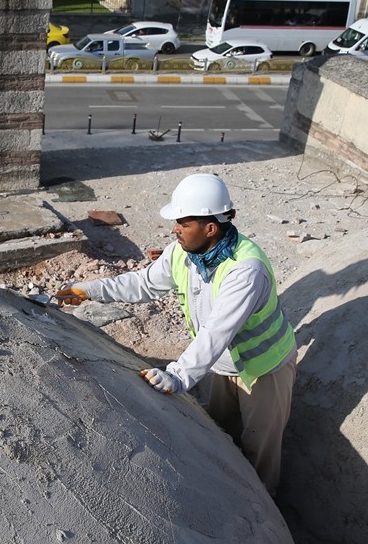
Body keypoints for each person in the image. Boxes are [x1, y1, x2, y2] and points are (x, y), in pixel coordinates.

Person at [54, 174, 297, 496]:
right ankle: (228, 494)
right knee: (222, 434)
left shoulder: (245, 270)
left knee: (259, 449)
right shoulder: (184, 252)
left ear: (210, 228)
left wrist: (179, 376)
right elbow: (143, 283)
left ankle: (265, 514)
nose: (174, 228)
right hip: (222, 365)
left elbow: (218, 330)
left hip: (263, 369)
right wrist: (89, 290)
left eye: (183, 222)